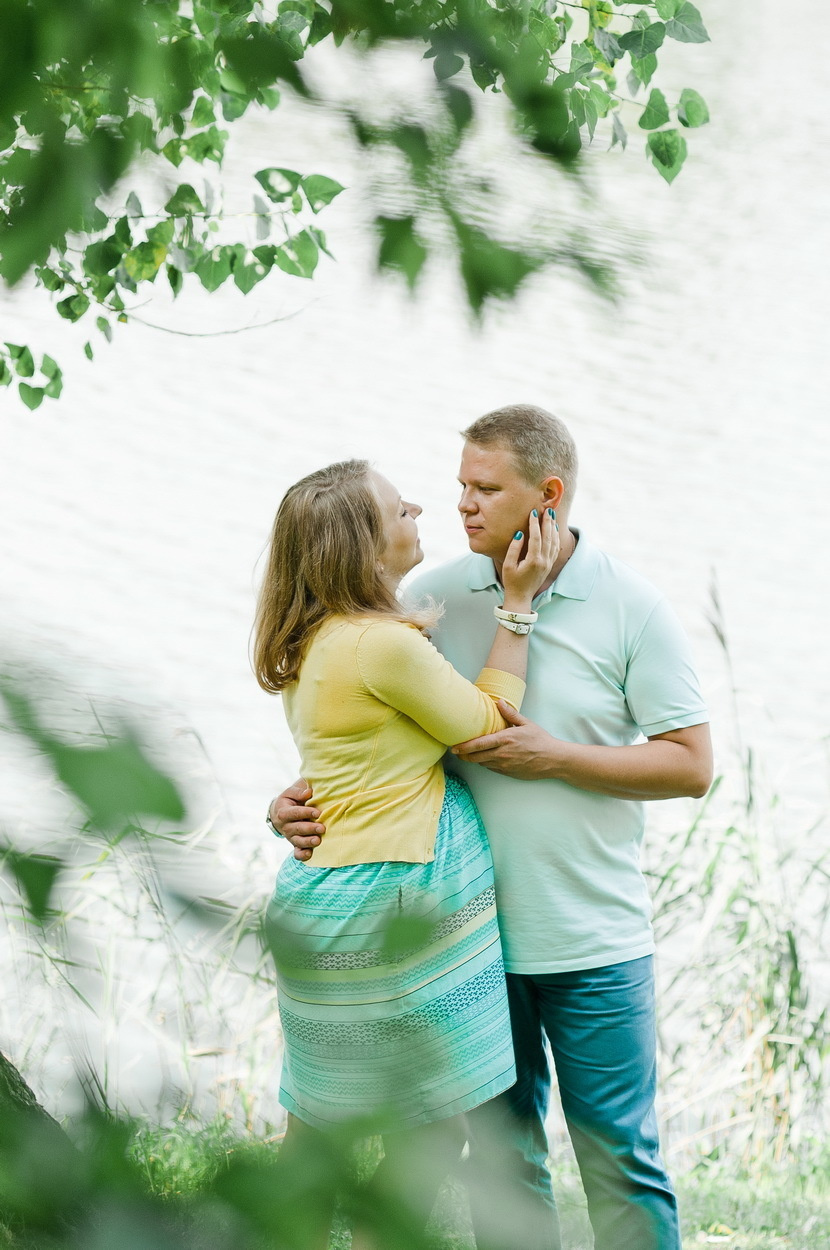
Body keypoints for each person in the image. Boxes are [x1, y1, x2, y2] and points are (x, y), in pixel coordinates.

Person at [271, 405, 713, 1250]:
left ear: (547, 495)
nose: (462, 505)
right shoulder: (428, 599)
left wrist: (559, 757)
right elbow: (370, 726)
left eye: (485, 488)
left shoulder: (633, 607)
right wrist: (291, 800)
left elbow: (691, 766)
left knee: (622, 1162)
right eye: (457, 486)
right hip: (467, 942)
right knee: (502, 1166)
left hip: (593, 941)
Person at [253, 456, 558, 1249]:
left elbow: (354, 765)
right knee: (424, 1135)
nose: (419, 508)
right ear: (362, 544)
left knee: (319, 1133)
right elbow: (490, 727)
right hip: (384, 905)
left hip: (326, 899)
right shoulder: (380, 647)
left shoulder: (316, 640)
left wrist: (279, 807)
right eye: (398, 510)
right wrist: (517, 607)